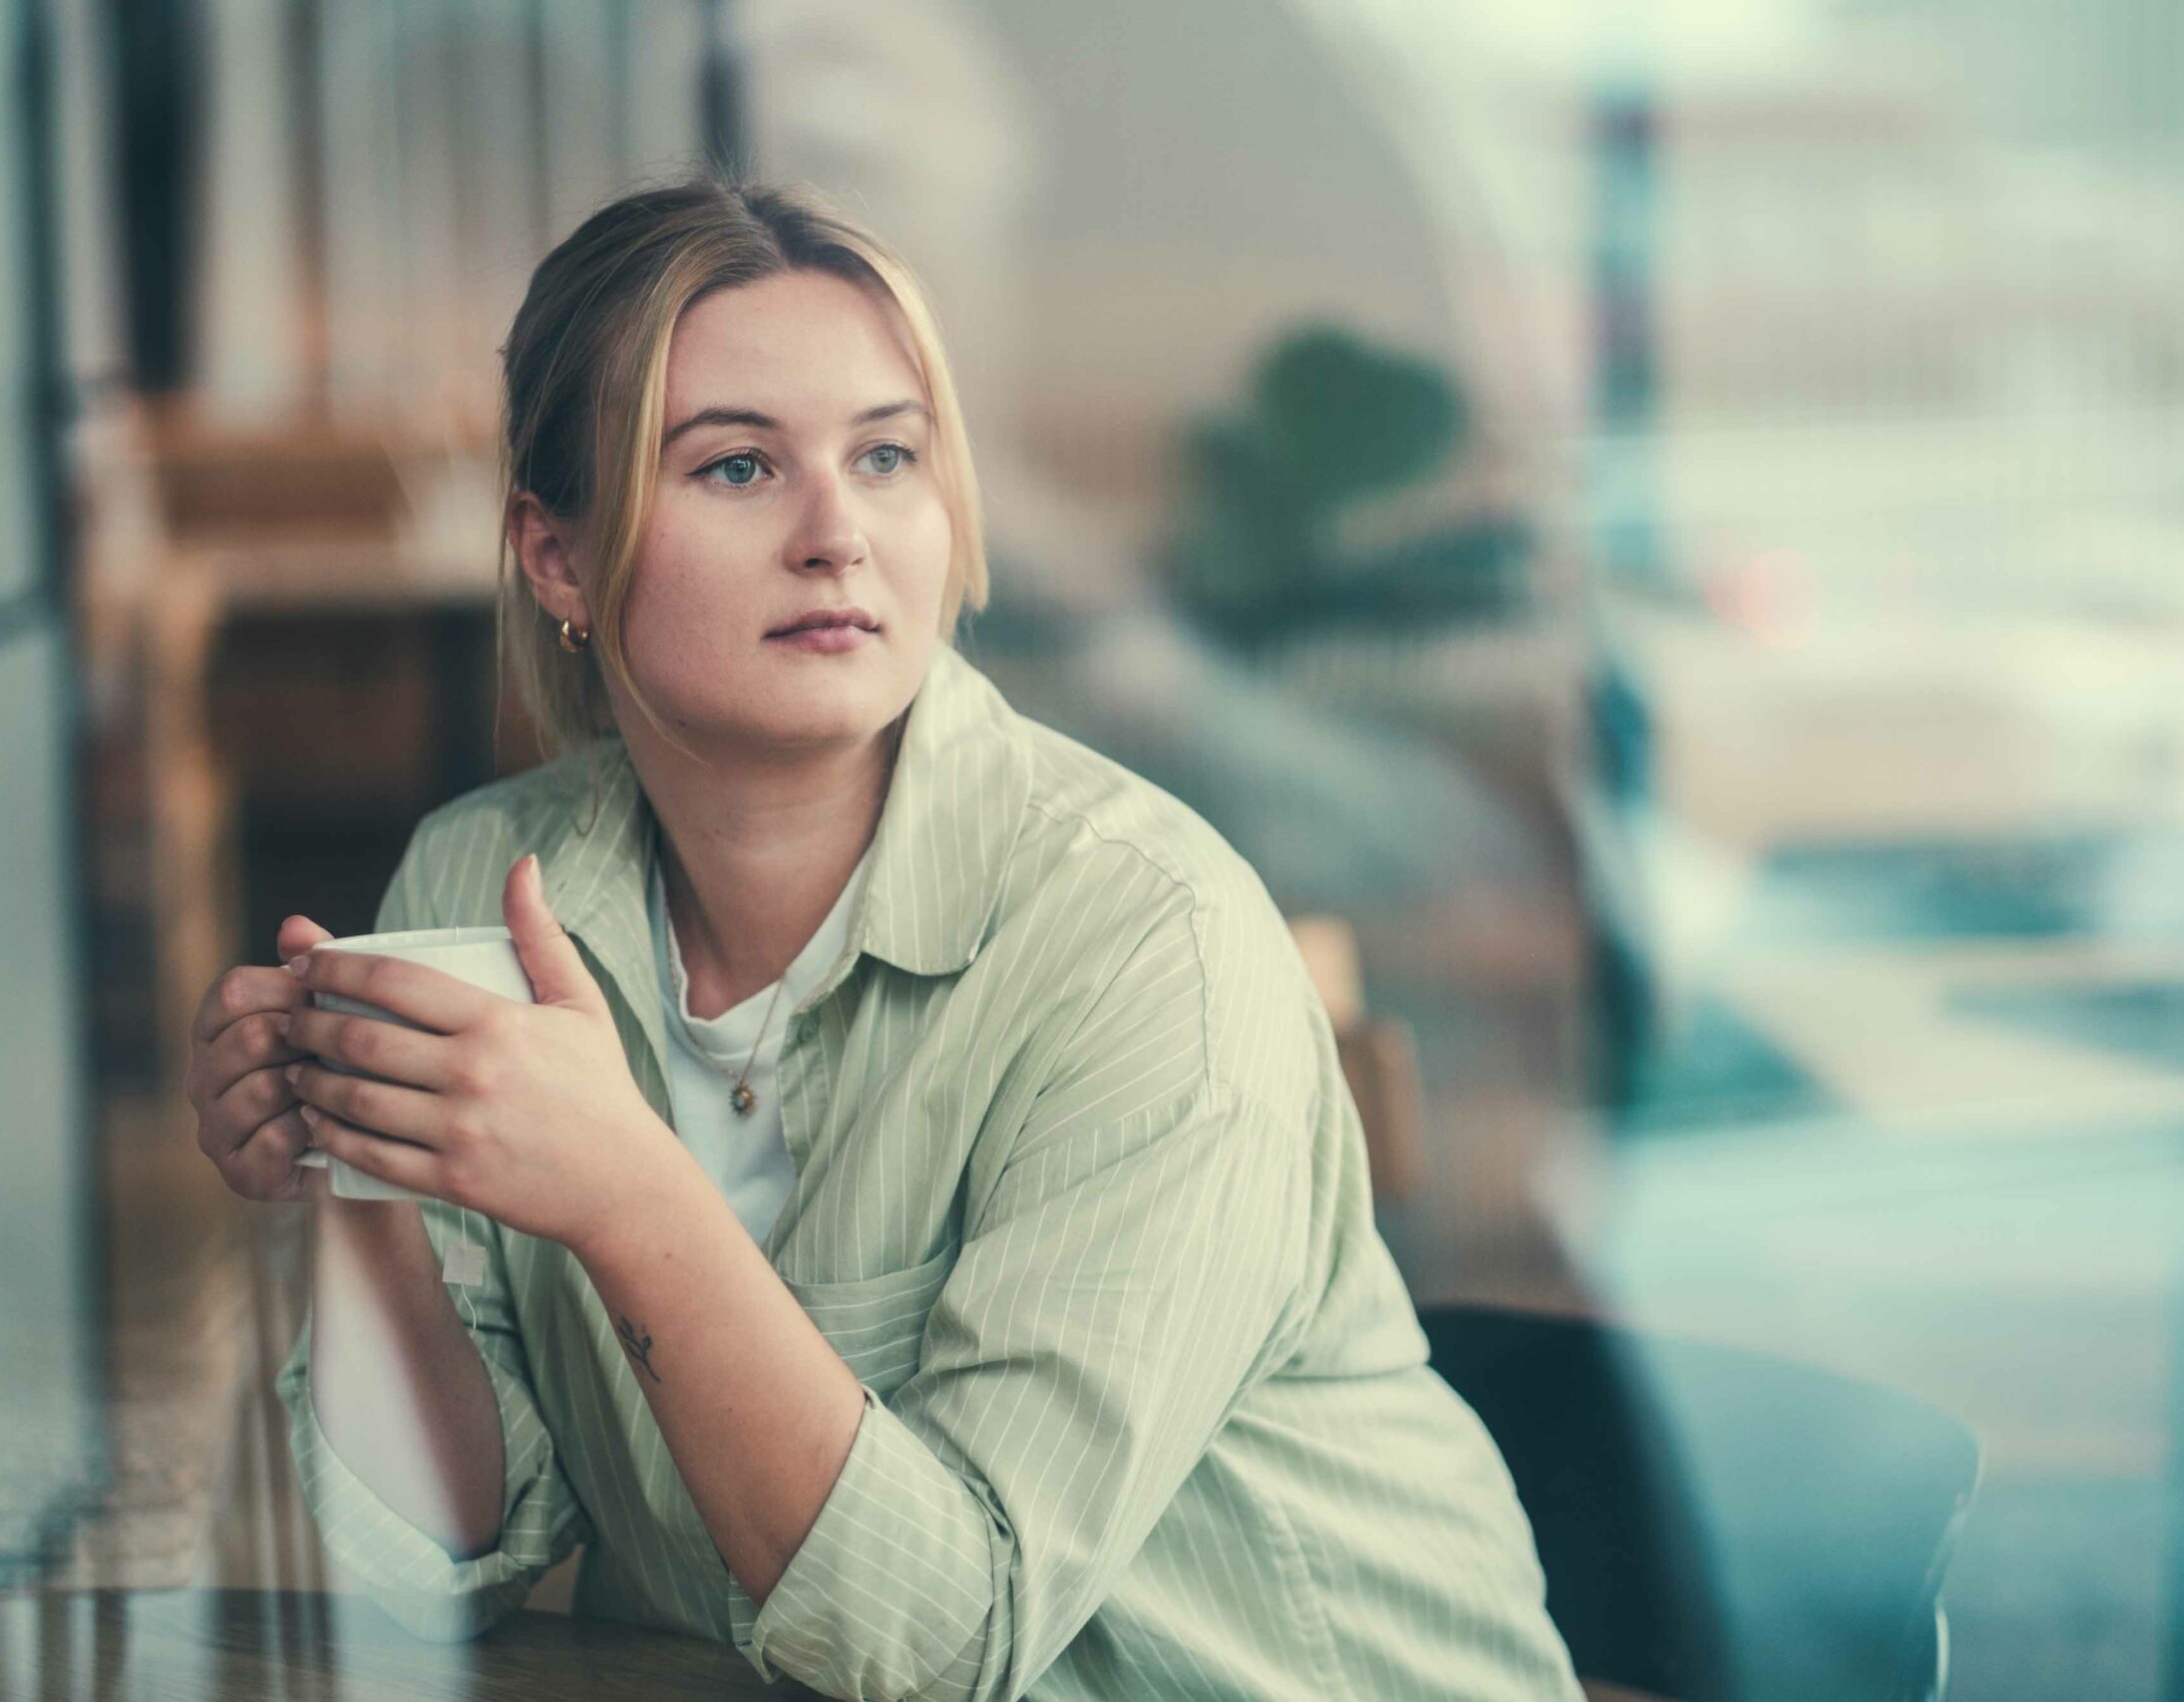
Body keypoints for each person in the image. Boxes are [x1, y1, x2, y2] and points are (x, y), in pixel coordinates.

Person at [185, 176, 1579, 1701]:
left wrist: (628, 1194)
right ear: (557, 557)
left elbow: (943, 1639)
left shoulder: (1145, 946)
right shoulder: (484, 881)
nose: (838, 534)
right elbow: (440, 1575)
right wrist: (360, 1176)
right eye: (735, 468)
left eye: (887, 457)